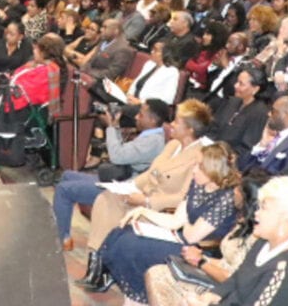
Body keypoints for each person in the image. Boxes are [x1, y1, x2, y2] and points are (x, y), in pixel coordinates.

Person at [77, 99, 214, 289]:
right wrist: (129, 186)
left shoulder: (199, 156)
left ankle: (105, 270)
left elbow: (184, 197)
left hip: (161, 210)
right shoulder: (173, 145)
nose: (170, 125)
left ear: (190, 130)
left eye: (176, 123)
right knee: (106, 198)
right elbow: (151, 173)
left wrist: (147, 201)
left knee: (117, 215)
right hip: (142, 196)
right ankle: (97, 265)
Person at [96, 142, 240, 299]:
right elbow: (175, 221)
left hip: (198, 251)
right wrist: (143, 211)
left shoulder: (226, 197)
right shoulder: (199, 184)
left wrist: (183, 222)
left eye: (199, 166)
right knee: (122, 233)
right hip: (181, 238)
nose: (194, 170)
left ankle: (138, 298)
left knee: (132, 246)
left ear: (212, 170)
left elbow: (192, 236)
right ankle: (132, 298)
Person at [52, 99, 171, 250]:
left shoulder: (152, 141)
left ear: (152, 120)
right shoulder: (149, 135)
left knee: (63, 190)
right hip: (123, 179)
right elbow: (124, 152)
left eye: (141, 115)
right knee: (68, 175)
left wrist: (112, 126)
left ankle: (61, 240)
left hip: (125, 188)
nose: (136, 118)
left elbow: (117, 156)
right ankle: (63, 233)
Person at [143, 172, 264, 306]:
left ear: (248, 198)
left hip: (226, 289)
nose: (234, 191)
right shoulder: (243, 223)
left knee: (159, 275)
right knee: (156, 271)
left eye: (239, 189)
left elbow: (234, 279)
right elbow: (225, 262)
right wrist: (201, 258)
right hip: (216, 270)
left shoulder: (257, 236)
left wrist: (201, 262)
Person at [200, 176, 288, 306]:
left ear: (284, 220)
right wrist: (213, 295)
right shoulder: (263, 242)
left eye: (264, 208)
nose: (256, 213)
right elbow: (238, 278)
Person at [0, 33, 64, 167]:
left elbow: (25, 93)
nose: (33, 51)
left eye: (36, 49)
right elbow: (17, 80)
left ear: (44, 51)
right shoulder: (37, 65)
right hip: (12, 103)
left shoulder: (48, 71)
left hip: (20, 110)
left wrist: (2, 95)